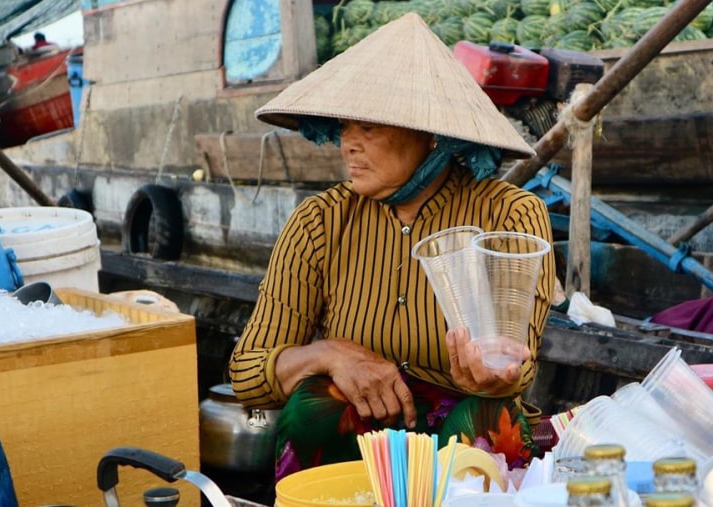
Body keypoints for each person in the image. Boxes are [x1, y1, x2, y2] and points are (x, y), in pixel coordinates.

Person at [228, 12, 556, 483]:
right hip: (360, 428)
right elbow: (248, 370)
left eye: (369, 128)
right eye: (345, 127)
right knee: (311, 409)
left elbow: (516, 362)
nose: (348, 145)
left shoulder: (508, 214)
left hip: (460, 423)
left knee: (484, 420)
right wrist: (332, 354)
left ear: (431, 134)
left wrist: (492, 373)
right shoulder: (320, 220)